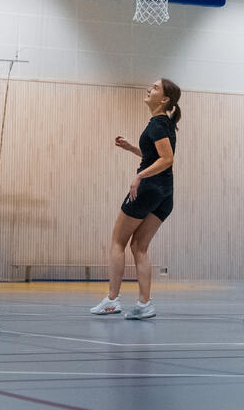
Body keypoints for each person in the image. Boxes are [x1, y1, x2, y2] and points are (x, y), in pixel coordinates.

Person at [90, 79, 181, 320]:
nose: (148, 89)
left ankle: (112, 299)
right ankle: (144, 304)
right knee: (139, 247)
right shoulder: (164, 124)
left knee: (118, 242)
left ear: (164, 99)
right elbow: (154, 155)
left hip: (149, 188)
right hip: (165, 193)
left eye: (154, 87)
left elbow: (167, 159)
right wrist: (132, 148)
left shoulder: (159, 125)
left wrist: (139, 176)